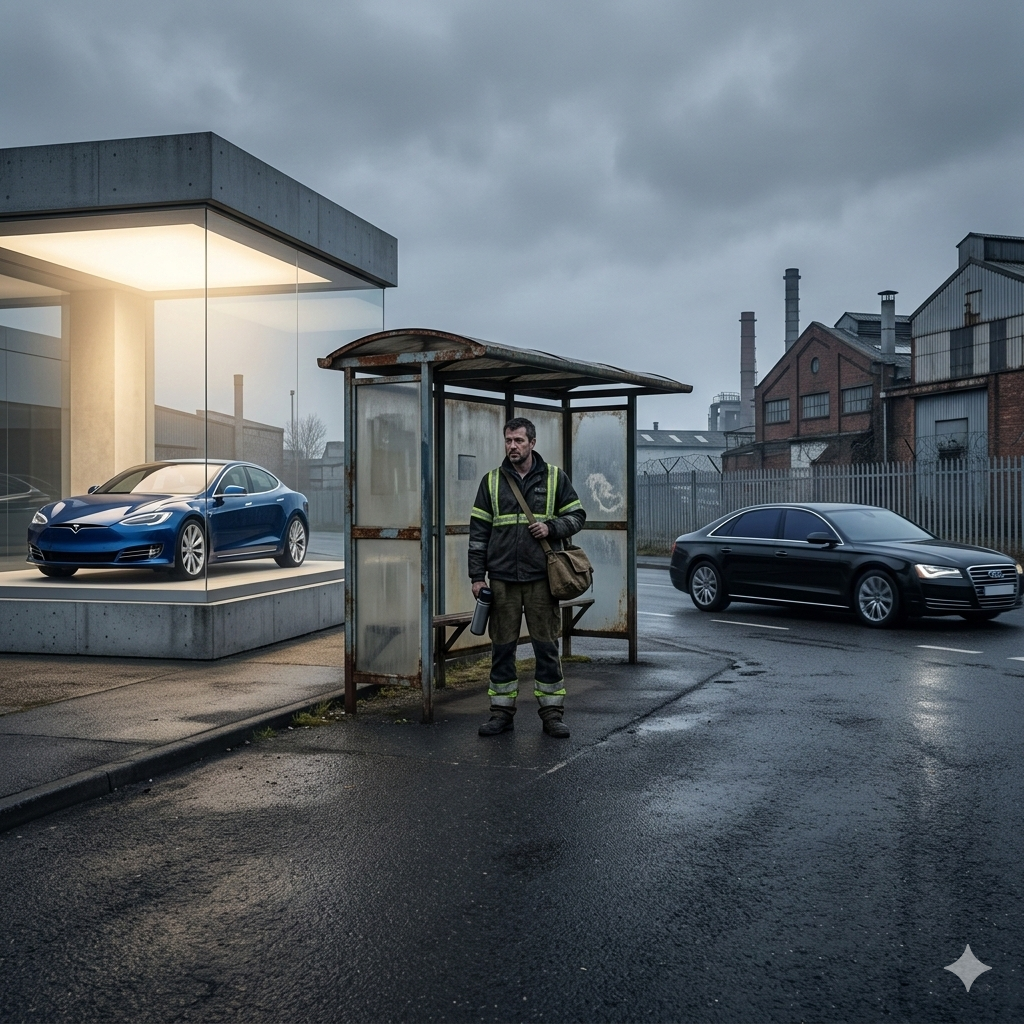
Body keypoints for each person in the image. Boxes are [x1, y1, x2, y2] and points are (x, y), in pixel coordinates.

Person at [469, 417, 587, 738]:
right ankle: (501, 713)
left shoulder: (554, 478)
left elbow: (578, 516)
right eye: (508, 440)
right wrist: (477, 577)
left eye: (519, 440)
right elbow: (478, 534)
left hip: (541, 580)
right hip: (503, 581)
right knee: (502, 648)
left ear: (532, 443)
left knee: (546, 647)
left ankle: (552, 714)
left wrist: (552, 527)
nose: (512, 446)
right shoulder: (491, 482)